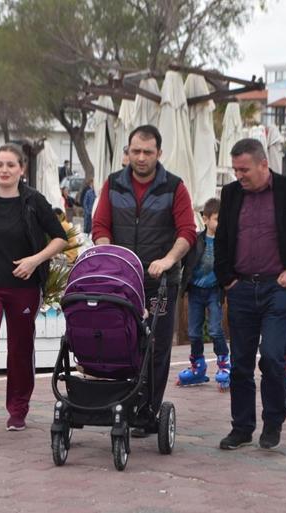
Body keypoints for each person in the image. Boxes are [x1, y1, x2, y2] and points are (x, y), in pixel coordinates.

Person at [215, 138, 286, 450]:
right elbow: (222, 236)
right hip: (240, 288)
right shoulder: (231, 193)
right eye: (235, 169)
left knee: (274, 359)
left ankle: (273, 422)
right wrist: (226, 279)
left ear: (264, 164)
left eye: (244, 169)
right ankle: (241, 427)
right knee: (240, 363)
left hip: (278, 288)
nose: (239, 175)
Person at [0, 144, 67, 444]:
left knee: (20, 349)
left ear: (21, 169)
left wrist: (35, 260)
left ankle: (17, 409)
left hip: (24, 289)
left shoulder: (34, 202)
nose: (4, 170)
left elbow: (60, 238)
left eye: (10, 165)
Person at [92, 124, 197, 437]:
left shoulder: (174, 187)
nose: (140, 157)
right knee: (122, 341)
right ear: (128, 151)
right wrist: (110, 255)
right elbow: (100, 226)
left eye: (147, 152)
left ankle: (148, 410)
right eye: (135, 151)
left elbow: (187, 232)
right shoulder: (113, 184)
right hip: (122, 282)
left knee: (156, 344)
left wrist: (167, 260)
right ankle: (123, 401)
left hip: (159, 284)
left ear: (159, 154)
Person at [176, 197, 230, 390]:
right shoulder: (196, 241)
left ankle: (224, 364)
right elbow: (183, 262)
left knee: (216, 330)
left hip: (214, 292)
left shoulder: (226, 243)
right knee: (193, 332)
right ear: (205, 219)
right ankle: (197, 366)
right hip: (196, 292)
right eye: (216, 219)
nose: (220, 224)